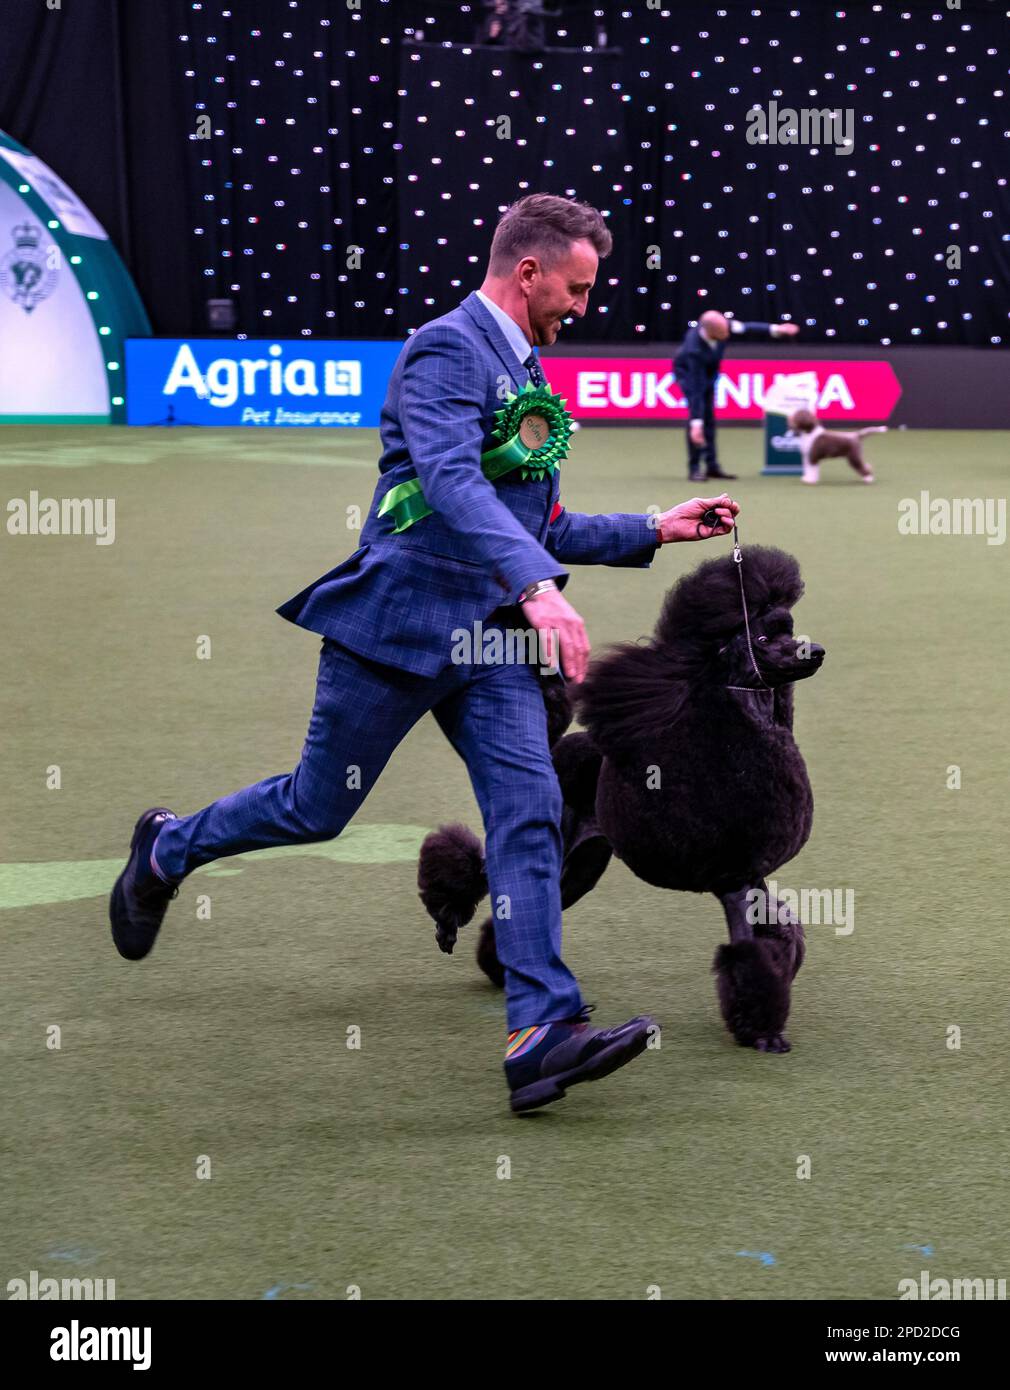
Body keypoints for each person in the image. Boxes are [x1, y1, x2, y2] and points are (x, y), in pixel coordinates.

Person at [109, 194, 739, 1114]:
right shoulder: (445, 347)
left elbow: (538, 520)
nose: (583, 305)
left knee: (527, 810)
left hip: (488, 642)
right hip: (397, 628)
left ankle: (539, 1033)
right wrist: (538, 587)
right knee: (315, 807)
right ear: (527, 272)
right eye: (576, 286)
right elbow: (446, 480)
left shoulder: (522, 366)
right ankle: (169, 851)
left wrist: (653, 527)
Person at [673, 309, 800, 482]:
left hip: (710, 374)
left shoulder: (724, 327)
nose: (727, 334)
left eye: (727, 330)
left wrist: (777, 329)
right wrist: (696, 423)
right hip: (689, 376)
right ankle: (694, 468)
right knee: (698, 419)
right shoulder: (693, 350)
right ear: (710, 332)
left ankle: (712, 467)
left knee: (709, 418)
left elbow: (748, 328)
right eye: (723, 333)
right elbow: (696, 391)